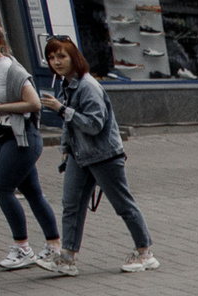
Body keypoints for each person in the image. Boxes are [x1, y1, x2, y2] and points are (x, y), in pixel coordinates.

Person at [41, 36, 157, 275]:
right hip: (79, 155)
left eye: (61, 56)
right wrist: (65, 149)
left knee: (122, 204)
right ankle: (68, 258)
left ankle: (145, 253)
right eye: (51, 57)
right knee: (71, 205)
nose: (56, 62)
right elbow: (69, 125)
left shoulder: (88, 86)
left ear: (74, 57)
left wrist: (61, 109)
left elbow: (94, 124)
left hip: (104, 155)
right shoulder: (67, 84)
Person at [0, 17, 58, 271]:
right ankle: (54, 246)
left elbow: (34, 103)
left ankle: (22, 247)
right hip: (3, 135)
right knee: (32, 193)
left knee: (1, 187)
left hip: (23, 137)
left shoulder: (12, 69)